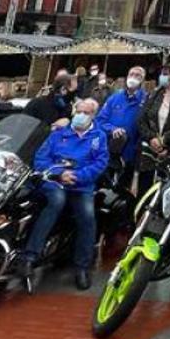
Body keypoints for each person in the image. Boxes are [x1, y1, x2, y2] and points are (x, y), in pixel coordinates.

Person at [19, 98, 109, 290]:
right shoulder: (59, 134)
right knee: (55, 203)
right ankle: (29, 256)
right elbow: (41, 158)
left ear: (93, 115)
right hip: (54, 181)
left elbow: (100, 164)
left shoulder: (98, 137)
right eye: (79, 111)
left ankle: (82, 267)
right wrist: (59, 174)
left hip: (81, 185)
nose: (81, 116)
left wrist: (77, 176)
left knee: (87, 215)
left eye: (86, 112)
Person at [136, 63, 170, 194]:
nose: (162, 77)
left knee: (165, 187)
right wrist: (151, 138)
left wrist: (165, 140)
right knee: (144, 186)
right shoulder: (155, 93)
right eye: (162, 74)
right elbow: (141, 119)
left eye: (165, 74)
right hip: (149, 147)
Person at [95, 66, 148, 191]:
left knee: (121, 192)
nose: (133, 77)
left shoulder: (146, 101)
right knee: (101, 188)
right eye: (131, 74)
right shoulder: (115, 98)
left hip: (130, 155)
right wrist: (112, 129)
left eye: (138, 75)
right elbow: (100, 120)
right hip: (107, 151)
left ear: (142, 80)